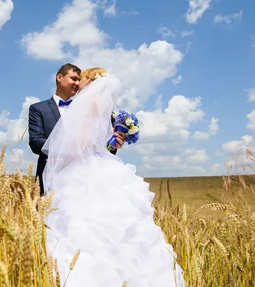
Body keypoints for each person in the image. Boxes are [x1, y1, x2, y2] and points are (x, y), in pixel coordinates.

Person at [42, 67, 186, 286]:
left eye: (82, 78)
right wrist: (109, 144)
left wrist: (63, 148)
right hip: (104, 167)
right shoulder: (103, 109)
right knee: (119, 229)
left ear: (89, 81)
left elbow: (81, 144)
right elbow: (98, 144)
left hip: (83, 171)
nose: (78, 82)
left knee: (83, 228)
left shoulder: (87, 106)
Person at [28, 63, 124, 195]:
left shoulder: (93, 110)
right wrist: (60, 153)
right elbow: (35, 141)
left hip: (85, 177)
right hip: (50, 175)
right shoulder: (38, 109)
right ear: (59, 77)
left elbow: (100, 148)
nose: (77, 83)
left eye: (80, 79)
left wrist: (113, 145)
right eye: (74, 78)